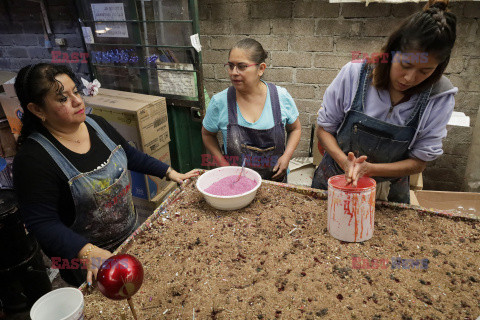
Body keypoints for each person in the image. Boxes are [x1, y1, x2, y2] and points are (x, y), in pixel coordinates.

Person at [12, 63, 199, 287]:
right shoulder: (33, 160)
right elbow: (41, 223)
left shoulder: (96, 124)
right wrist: (86, 251)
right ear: (37, 109)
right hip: (88, 263)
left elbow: (128, 154)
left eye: (76, 92)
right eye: (62, 99)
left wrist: (170, 172)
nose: (78, 101)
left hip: (131, 239)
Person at [311, 0, 457, 203]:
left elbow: (419, 162)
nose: (409, 78)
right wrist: (346, 163)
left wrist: (370, 170)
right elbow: (324, 129)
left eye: (425, 71)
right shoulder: (355, 74)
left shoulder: (439, 96)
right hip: (335, 177)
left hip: (388, 192)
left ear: (438, 68)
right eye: (405, 64)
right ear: (391, 52)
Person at [202, 38, 301, 181]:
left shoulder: (280, 97)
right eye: (230, 66)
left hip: (275, 181)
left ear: (261, 69)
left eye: (241, 66)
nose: (234, 72)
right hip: (235, 182)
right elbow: (207, 134)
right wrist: (223, 165)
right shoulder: (220, 102)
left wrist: (286, 157)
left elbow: (295, 129)